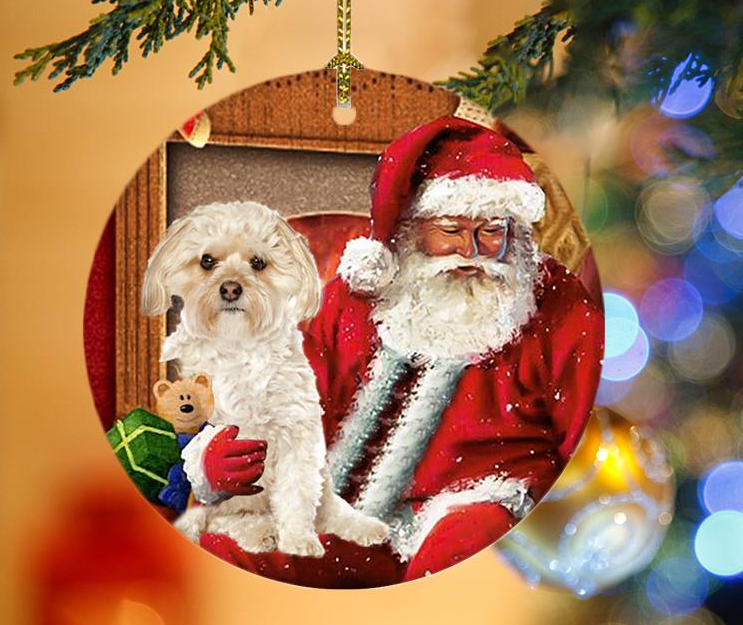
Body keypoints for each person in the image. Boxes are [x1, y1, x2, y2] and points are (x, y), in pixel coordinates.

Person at [188, 116, 604, 587]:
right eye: (450, 229)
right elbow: (291, 392)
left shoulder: (557, 306)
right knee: (233, 549)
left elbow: (588, 434)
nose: (472, 251)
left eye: (492, 231)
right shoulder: (358, 300)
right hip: (354, 510)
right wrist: (223, 456)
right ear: (412, 228)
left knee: (459, 554)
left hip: (479, 502)